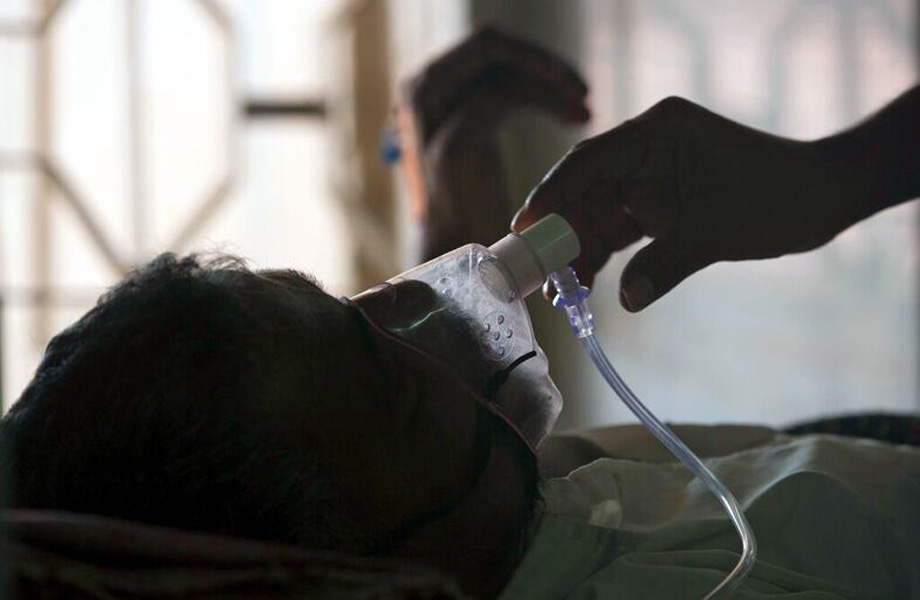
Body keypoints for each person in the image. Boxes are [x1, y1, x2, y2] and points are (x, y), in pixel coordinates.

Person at [1, 28, 919, 600]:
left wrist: (442, 206)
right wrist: (845, 176)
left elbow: (395, 446)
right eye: (389, 382)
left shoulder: (530, 505)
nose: (416, 297)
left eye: (354, 303)